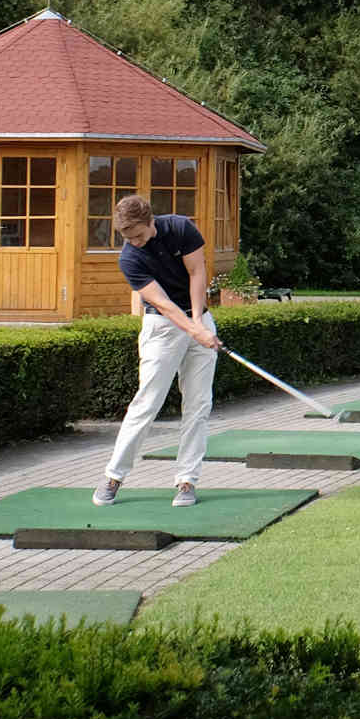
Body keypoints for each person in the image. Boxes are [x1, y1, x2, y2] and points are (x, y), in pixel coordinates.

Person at [95, 194, 224, 508]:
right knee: (147, 403)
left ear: (152, 222)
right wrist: (194, 329)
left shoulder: (181, 229)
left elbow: (197, 273)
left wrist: (199, 321)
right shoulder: (129, 258)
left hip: (197, 317)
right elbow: (164, 305)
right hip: (162, 328)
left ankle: (187, 481)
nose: (134, 242)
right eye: (127, 238)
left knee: (198, 404)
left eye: (138, 235)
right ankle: (114, 476)